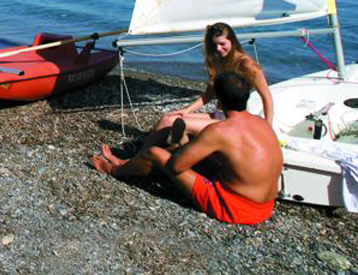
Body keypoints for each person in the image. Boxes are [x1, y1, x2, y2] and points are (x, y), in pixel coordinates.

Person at [91, 72, 281, 225]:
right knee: (182, 152)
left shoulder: (220, 130)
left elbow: (176, 166)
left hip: (234, 207)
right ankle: (127, 163)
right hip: (265, 207)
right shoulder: (262, 123)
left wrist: (175, 148)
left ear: (219, 101)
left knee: (155, 153)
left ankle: (115, 169)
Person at [131, 22, 275, 152]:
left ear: (232, 41)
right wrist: (186, 110)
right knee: (168, 118)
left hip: (232, 120)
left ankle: (176, 157)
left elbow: (266, 97)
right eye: (214, 45)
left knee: (181, 124)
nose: (218, 49)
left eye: (222, 44)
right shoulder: (218, 62)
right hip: (217, 114)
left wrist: (268, 129)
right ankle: (143, 154)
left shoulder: (246, 65)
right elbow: (208, 96)